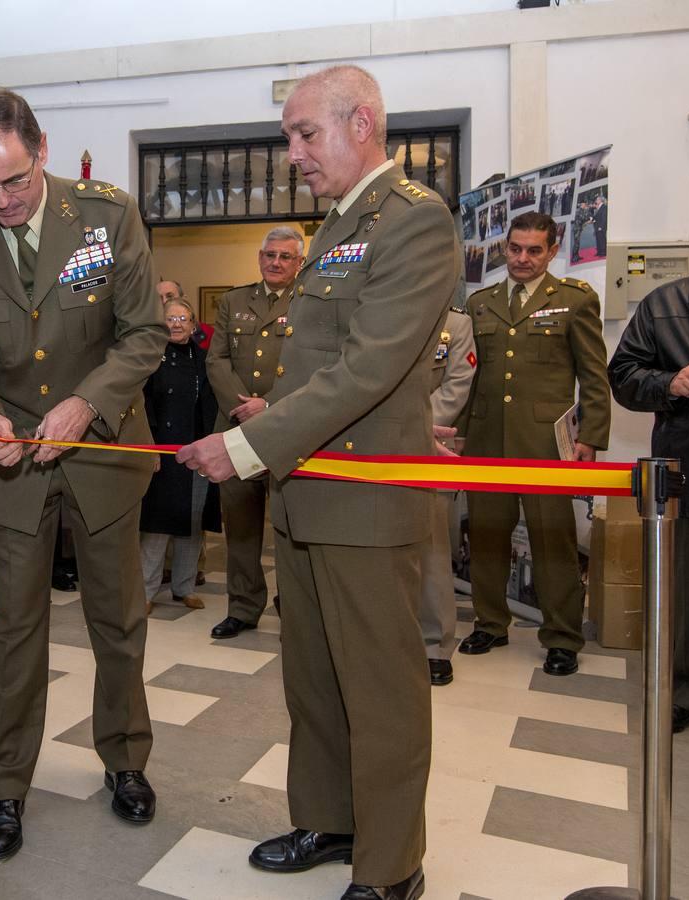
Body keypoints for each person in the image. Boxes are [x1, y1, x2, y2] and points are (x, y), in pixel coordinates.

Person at [177, 65, 455, 900]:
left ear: (361, 122)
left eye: (306, 134)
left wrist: (251, 443)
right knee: (315, 678)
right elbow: (329, 362)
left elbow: (372, 364)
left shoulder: (414, 218)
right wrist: (276, 417)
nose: (292, 152)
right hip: (310, 487)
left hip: (365, 502)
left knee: (380, 690)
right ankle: (331, 820)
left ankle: (391, 862)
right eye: (289, 136)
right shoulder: (337, 222)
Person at [0, 88, 166, 861]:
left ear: (42, 150)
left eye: (14, 181)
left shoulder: (106, 214)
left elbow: (143, 334)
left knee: (118, 621)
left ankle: (125, 760)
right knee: (14, 630)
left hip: (102, 450)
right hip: (12, 465)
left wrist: (85, 405)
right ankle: (4, 786)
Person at [458, 211, 610, 676]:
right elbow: (468, 376)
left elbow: (593, 374)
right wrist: (458, 433)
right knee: (485, 536)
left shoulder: (573, 300)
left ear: (552, 251)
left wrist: (591, 436)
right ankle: (490, 622)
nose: (522, 259)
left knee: (552, 542)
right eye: (515, 249)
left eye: (534, 250)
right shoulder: (481, 303)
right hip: (485, 440)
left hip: (546, 445)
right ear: (505, 248)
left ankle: (562, 636)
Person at [606, 272, 689, 732]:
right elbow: (623, 377)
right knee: (686, 596)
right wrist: (670, 383)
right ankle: (685, 693)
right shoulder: (666, 304)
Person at [203, 226, 303, 639]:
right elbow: (217, 361)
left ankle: (295, 608)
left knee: (290, 527)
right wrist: (241, 408)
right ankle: (243, 606)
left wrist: (270, 406)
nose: (276, 263)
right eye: (269, 255)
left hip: (291, 429)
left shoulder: (310, 301)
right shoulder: (233, 300)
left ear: (299, 263)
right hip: (236, 428)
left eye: (285, 257)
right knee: (240, 524)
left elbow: (312, 366)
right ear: (259, 257)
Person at [138, 297, 219, 614]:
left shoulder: (203, 359)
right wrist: (150, 447)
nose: (176, 324)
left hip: (196, 449)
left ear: (194, 324)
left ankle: (183, 587)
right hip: (163, 449)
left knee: (193, 521)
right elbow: (142, 408)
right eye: (170, 318)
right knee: (157, 526)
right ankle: (145, 592)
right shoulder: (149, 359)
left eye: (183, 318)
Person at [420, 307, 476, 686]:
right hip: (372, 450)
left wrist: (408, 426)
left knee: (432, 551)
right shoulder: (377, 309)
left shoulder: (456, 324)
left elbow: (457, 384)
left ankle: (434, 646)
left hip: (429, 445)